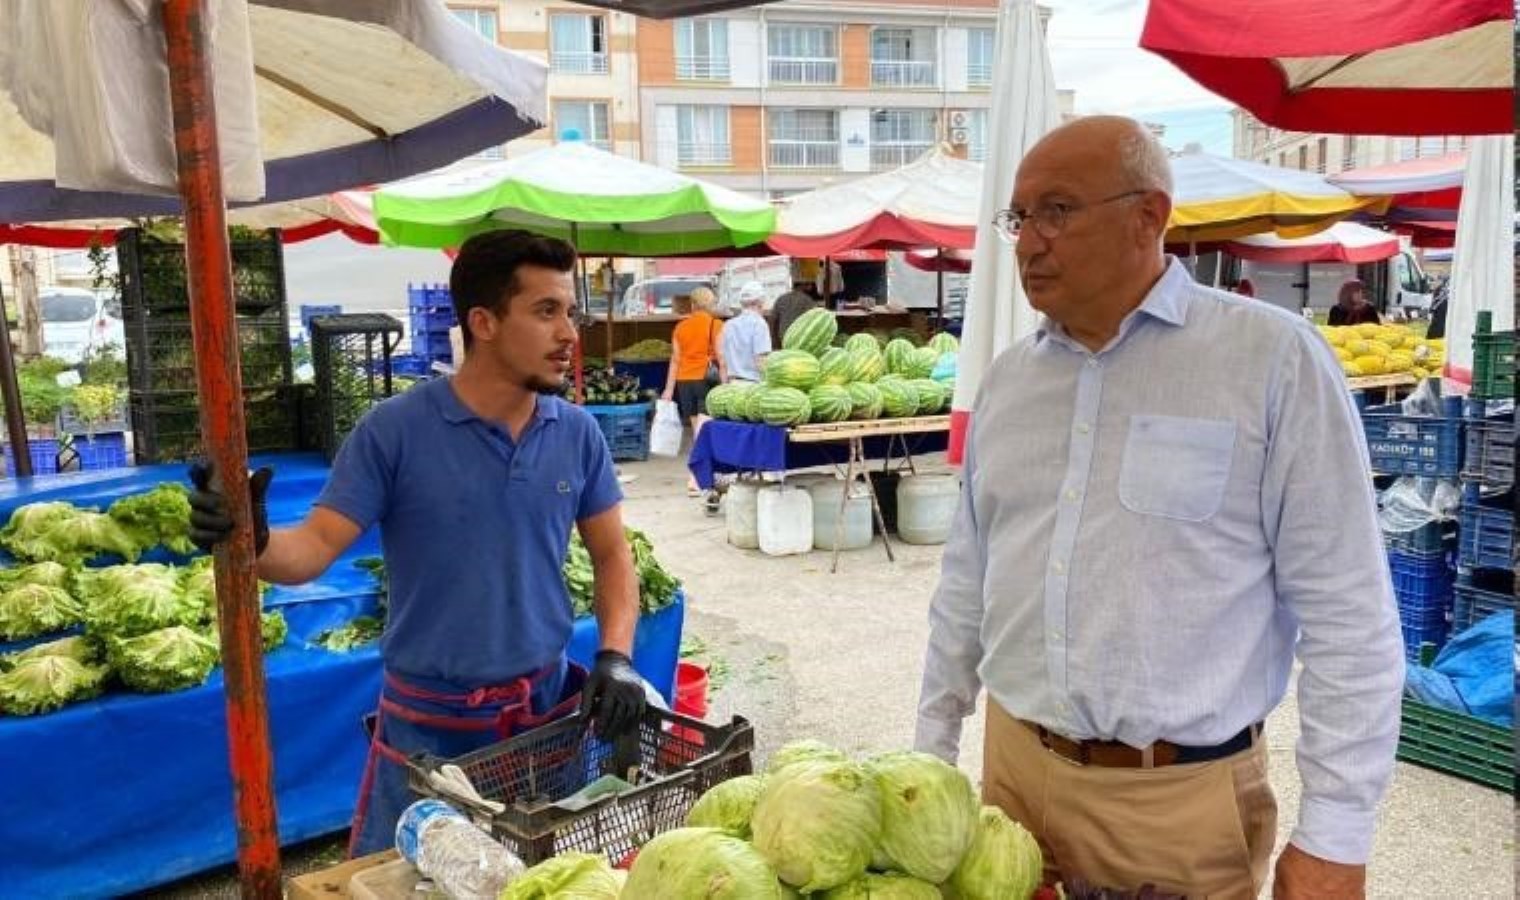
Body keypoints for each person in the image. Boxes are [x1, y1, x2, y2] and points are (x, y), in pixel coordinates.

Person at [915, 116, 1402, 899]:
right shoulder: (1007, 382)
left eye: (1057, 211)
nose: (1028, 242)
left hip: (1175, 804)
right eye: (1019, 217)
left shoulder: (1271, 360)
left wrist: (1335, 838)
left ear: (1149, 216)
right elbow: (966, 584)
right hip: (1012, 780)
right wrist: (928, 757)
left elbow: (1350, 614)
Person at [187, 230, 647, 857]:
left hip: (543, 718)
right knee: (411, 882)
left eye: (571, 313)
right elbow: (311, 550)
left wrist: (616, 656)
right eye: (546, 312)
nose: (570, 333)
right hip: (429, 729)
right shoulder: (393, 432)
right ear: (483, 322)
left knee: (539, 880)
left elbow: (612, 555)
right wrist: (251, 538)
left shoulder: (577, 434)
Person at [663, 286, 725, 496]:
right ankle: (695, 478)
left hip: (684, 382)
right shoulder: (716, 325)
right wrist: (726, 384)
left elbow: (675, 360)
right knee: (703, 431)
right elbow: (721, 358)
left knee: (697, 428)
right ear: (710, 304)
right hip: (706, 380)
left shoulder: (680, 327)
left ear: (692, 305)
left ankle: (701, 474)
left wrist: (669, 389)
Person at [721, 281, 773, 383]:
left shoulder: (729, 325)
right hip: (752, 385)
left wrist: (725, 385)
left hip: (732, 384)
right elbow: (761, 360)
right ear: (760, 302)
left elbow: (723, 362)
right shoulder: (759, 324)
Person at [771, 278, 819, 343]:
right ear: (802, 285)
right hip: (800, 338)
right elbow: (815, 321)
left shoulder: (781, 298)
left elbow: (774, 321)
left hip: (783, 337)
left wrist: (774, 340)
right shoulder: (808, 301)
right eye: (808, 285)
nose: (810, 287)